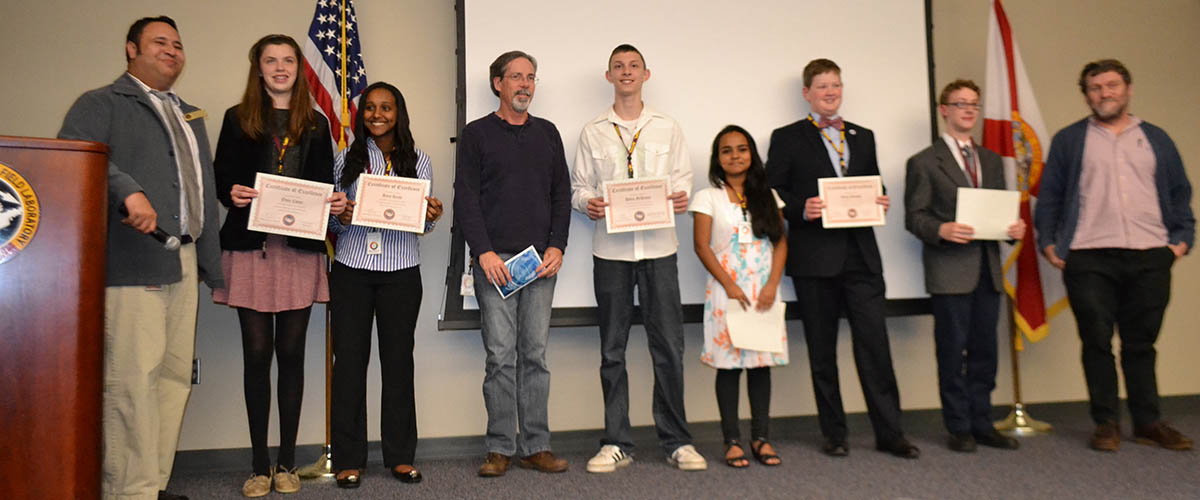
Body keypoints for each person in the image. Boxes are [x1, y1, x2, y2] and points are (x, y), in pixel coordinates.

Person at [57, 16, 223, 500]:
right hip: (133, 264)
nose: (171, 51)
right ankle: (129, 490)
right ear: (131, 50)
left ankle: (152, 483)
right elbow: (76, 156)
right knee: (132, 380)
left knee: (173, 379)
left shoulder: (190, 115)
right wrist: (128, 192)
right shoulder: (100, 103)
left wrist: (212, 263)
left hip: (182, 260)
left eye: (177, 44)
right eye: (159, 42)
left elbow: (202, 188)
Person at [210, 34, 347, 497]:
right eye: (271, 61)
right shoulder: (237, 118)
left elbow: (326, 184)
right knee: (256, 355)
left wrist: (333, 201)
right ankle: (257, 466)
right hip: (250, 248)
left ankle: (287, 463)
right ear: (259, 68)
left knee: (291, 356)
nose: (281, 68)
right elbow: (221, 177)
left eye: (288, 60)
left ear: (298, 68)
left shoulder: (317, 122)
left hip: (297, 251)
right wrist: (232, 191)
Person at [1035, 59, 1194, 452]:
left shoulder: (1156, 138)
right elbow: (1051, 195)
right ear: (1086, 95)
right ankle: (1105, 423)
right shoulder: (1070, 140)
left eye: (1111, 85)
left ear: (1128, 89)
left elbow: (1179, 192)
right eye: (1095, 87)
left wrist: (1181, 240)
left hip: (1150, 254)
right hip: (1088, 256)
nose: (1104, 93)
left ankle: (1148, 422)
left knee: (1141, 344)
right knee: (1096, 341)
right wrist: (1049, 241)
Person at [766, 58, 919, 459]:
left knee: (875, 349)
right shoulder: (787, 137)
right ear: (807, 94)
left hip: (862, 259)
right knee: (822, 351)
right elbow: (771, 192)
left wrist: (881, 197)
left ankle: (891, 433)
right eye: (822, 87)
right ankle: (834, 434)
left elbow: (874, 184)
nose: (830, 92)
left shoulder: (863, 135)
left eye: (836, 85)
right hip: (815, 260)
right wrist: (801, 209)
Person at [569, 44, 705, 473]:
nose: (626, 72)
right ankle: (616, 442)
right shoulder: (592, 130)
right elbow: (578, 187)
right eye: (618, 67)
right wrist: (587, 202)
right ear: (608, 76)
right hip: (610, 252)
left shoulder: (668, 126)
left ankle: (677, 441)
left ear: (646, 74)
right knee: (612, 350)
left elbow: (683, 179)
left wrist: (681, 197)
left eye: (633, 66)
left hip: (660, 250)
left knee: (668, 347)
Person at [453, 50, 572, 477]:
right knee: (500, 357)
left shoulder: (549, 133)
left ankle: (536, 446)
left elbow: (562, 193)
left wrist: (558, 245)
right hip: (495, 263)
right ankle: (500, 447)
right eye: (516, 77)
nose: (525, 84)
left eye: (531, 77)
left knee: (535, 356)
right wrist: (483, 252)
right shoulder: (477, 134)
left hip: (540, 263)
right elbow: (465, 197)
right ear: (497, 83)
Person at [328, 82, 444, 487]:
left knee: (398, 364)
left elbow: (422, 226)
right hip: (352, 270)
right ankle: (347, 459)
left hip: (400, 272)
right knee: (349, 366)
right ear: (362, 115)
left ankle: (399, 456)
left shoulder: (421, 160)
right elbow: (329, 221)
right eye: (371, 108)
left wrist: (432, 214)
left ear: (399, 113)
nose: (377, 114)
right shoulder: (345, 159)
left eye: (387, 108)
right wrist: (340, 218)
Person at [903, 79, 1022, 453]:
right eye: (960, 104)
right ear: (944, 110)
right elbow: (914, 217)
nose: (968, 110)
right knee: (953, 353)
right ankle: (959, 427)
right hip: (949, 271)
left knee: (986, 351)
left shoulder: (990, 159)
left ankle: (983, 422)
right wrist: (942, 229)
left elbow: (1000, 209)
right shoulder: (923, 161)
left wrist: (1013, 229)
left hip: (988, 270)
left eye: (973, 104)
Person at [691, 125, 788, 468]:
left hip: (763, 294)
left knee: (761, 367)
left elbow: (780, 242)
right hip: (726, 293)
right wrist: (730, 285)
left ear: (752, 154)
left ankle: (761, 439)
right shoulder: (707, 197)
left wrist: (773, 284)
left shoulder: (769, 195)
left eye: (742, 149)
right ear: (717, 158)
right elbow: (701, 246)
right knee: (729, 368)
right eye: (727, 150)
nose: (735, 156)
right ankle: (731, 441)